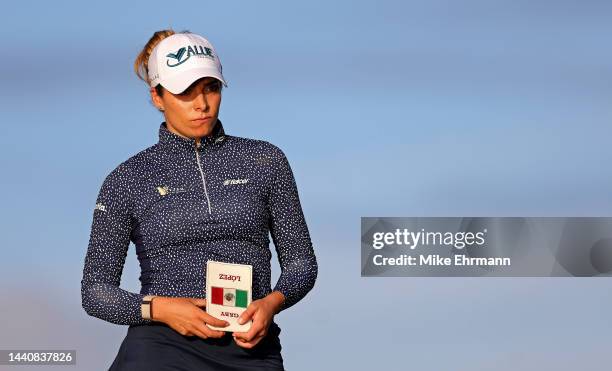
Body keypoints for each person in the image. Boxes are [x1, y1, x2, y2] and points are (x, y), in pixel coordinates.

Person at [80, 29, 318, 370]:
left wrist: (271, 303)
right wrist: (160, 309)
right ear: (157, 97)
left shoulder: (266, 160)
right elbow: (95, 291)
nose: (201, 104)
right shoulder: (128, 179)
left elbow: (301, 263)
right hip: (160, 347)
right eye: (184, 93)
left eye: (211, 88)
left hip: (252, 352)